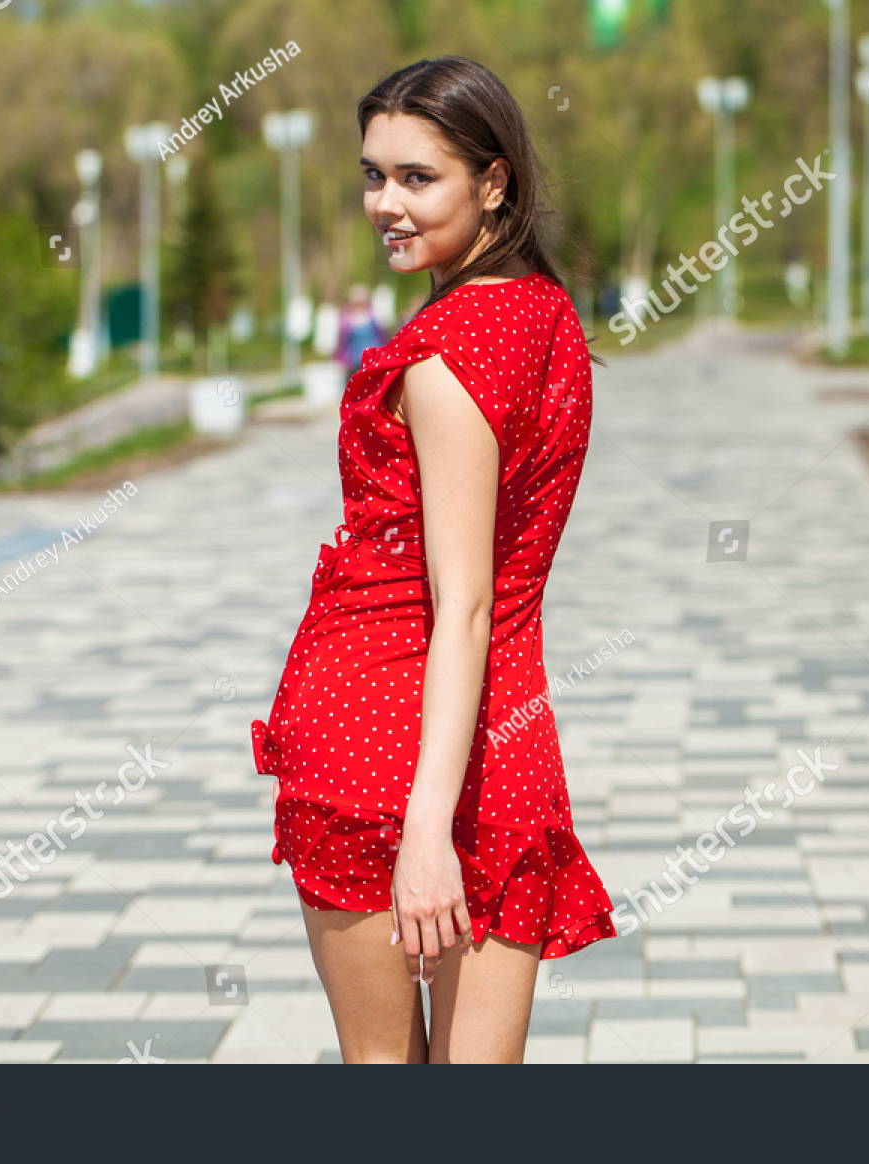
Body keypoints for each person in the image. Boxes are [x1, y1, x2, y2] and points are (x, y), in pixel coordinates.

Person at [250, 56, 614, 1064]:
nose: (385, 204)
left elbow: (461, 604)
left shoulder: (449, 351)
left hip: (383, 750)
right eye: (374, 175)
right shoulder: (548, 319)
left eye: (418, 178)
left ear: (494, 182)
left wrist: (423, 833)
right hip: (498, 734)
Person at [336, 284, 386, 373]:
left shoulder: (374, 315)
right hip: (353, 359)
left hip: (372, 357)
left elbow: (381, 336)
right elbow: (343, 340)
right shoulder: (347, 318)